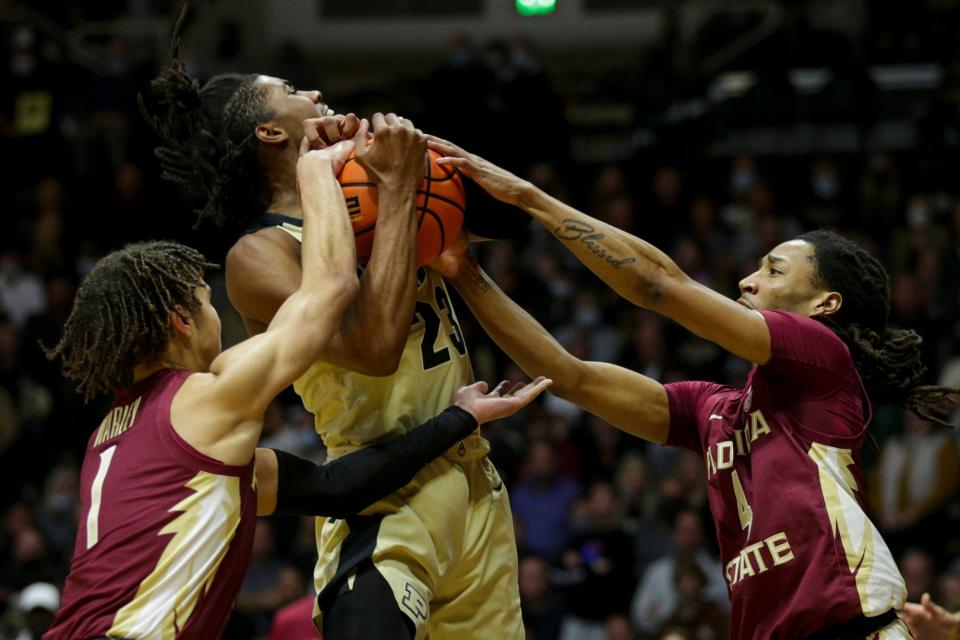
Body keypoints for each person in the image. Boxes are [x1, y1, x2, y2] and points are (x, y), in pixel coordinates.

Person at [424, 135, 959, 639]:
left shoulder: (825, 357)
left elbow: (659, 286)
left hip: (849, 624)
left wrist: (530, 198)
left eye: (774, 271)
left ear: (826, 304)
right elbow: (570, 377)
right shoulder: (714, 410)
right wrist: (464, 270)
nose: (749, 280)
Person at [41, 136, 551, 639]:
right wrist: (316, 170)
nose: (222, 320)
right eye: (208, 302)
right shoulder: (199, 399)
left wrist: (460, 418)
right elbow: (329, 291)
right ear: (181, 321)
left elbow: (337, 487)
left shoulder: (120, 439)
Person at [140, 16, 529, 637]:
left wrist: (419, 156)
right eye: (294, 89)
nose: (316, 96)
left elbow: (511, 218)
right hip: (384, 491)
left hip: (476, 477)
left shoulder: (373, 185)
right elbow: (375, 349)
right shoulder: (260, 254)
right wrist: (403, 191)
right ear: (270, 130)